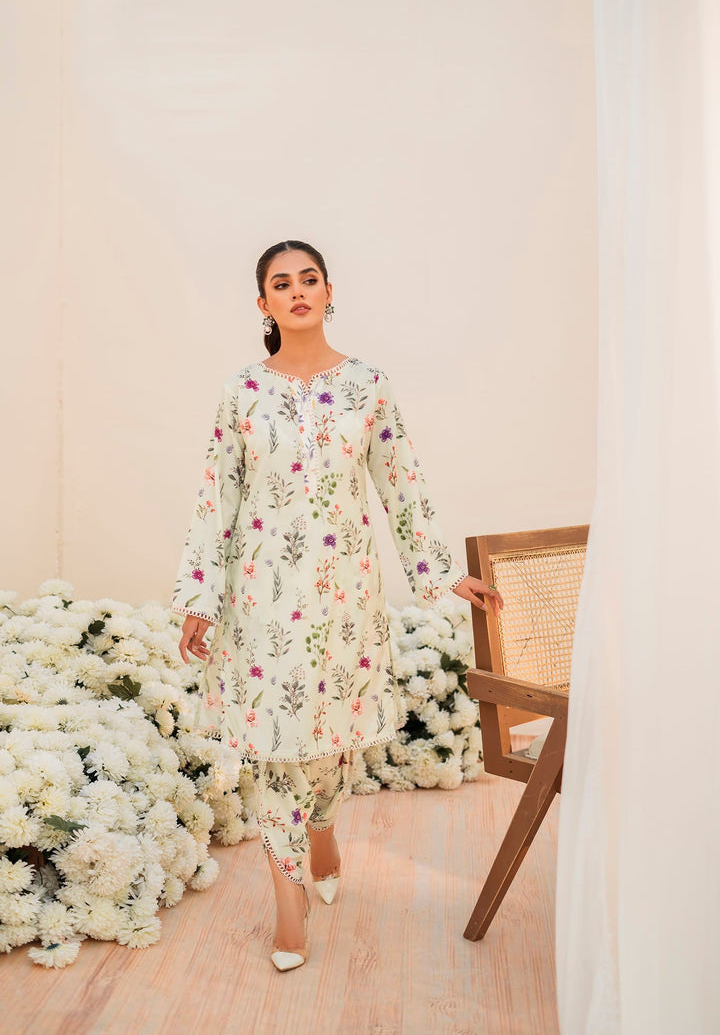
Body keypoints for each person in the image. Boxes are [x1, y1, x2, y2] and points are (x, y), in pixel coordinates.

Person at [171, 239, 504, 971]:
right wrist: (200, 597)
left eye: (308, 278)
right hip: (259, 598)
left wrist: (443, 573)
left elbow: (399, 481)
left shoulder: (368, 386)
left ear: (328, 291)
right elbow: (216, 497)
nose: (296, 291)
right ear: (264, 303)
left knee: (330, 740)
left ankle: (323, 828)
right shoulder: (241, 392)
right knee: (273, 744)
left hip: (345, 595)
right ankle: (289, 904)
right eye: (280, 283)